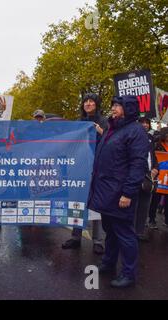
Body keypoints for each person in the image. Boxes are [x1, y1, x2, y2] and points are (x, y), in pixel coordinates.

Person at [89, 95, 149, 288]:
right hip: (107, 191)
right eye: (113, 105)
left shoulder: (136, 131)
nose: (113, 108)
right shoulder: (112, 129)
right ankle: (108, 263)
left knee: (124, 233)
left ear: (129, 109)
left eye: (118, 106)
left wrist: (128, 193)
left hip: (120, 194)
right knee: (111, 232)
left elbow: (137, 165)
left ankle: (129, 274)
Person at [62, 93, 107, 254]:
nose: (88, 104)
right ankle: (75, 237)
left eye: (91, 101)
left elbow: (111, 141)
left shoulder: (104, 121)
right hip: (79, 168)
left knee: (96, 203)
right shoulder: (79, 123)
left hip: (97, 169)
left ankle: (97, 240)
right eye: (85, 101)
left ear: (96, 104)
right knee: (77, 202)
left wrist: (99, 130)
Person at [134, 117, 158, 240]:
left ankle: (139, 232)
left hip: (148, 177)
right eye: (142, 123)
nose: (145, 125)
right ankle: (130, 233)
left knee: (144, 206)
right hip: (136, 175)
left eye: (147, 123)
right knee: (134, 206)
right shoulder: (133, 137)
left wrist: (155, 168)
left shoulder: (151, 139)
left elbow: (153, 156)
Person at [148, 127, 168, 229]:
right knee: (155, 199)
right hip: (159, 176)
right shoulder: (157, 145)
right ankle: (151, 219)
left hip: (167, 178)